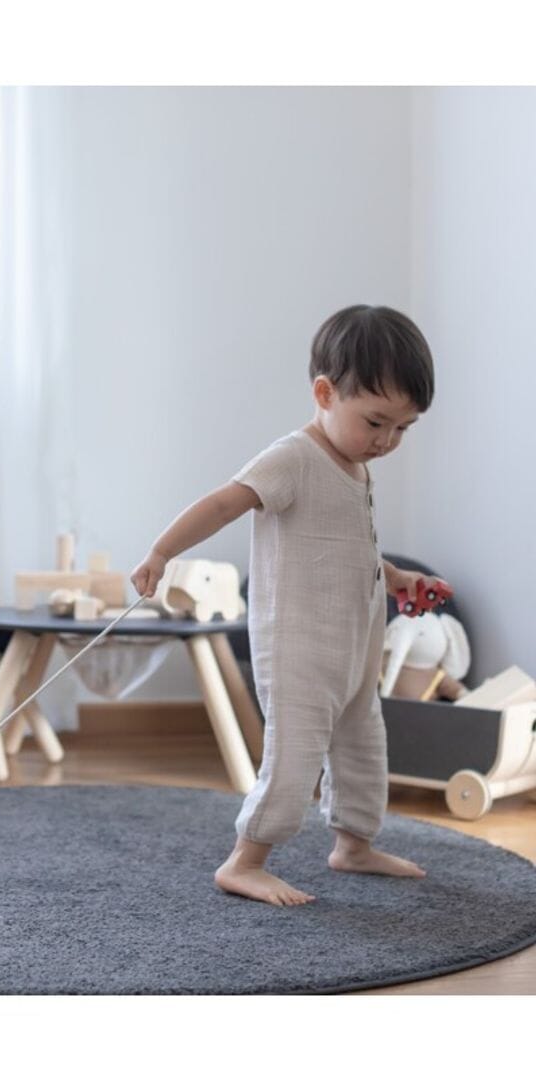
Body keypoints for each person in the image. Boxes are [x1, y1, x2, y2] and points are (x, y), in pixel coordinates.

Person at [131, 304, 446, 907]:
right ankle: (245, 861)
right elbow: (224, 503)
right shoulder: (292, 459)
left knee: (363, 748)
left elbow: (348, 547)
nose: (386, 441)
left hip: (354, 645)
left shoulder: (355, 467)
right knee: (295, 756)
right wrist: (162, 552)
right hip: (299, 646)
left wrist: (395, 576)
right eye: (376, 422)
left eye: (402, 429)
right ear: (325, 393)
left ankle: (352, 844)